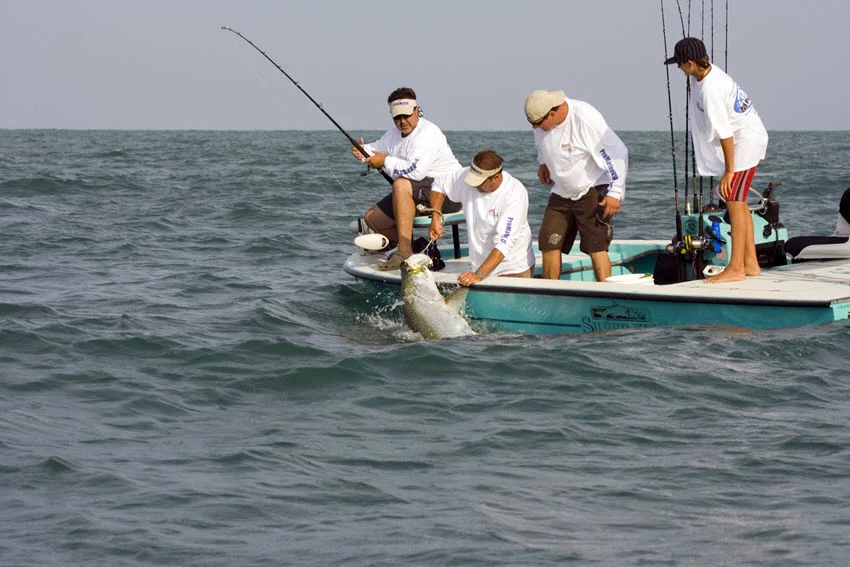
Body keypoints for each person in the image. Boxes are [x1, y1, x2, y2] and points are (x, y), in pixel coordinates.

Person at [665, 37, 768, 283]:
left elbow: (726, 134)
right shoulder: (702, 74)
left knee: (733, 200)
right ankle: (751, 264)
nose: (679, 69)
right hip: (745, 138)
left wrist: (730, 172)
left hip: (744, 142)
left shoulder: (711, 89)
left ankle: (736, 269)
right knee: (739, 203)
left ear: (691, 63)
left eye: (680, 64)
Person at [351, 87, 462, 271]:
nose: (402, 122)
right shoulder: (393, 134)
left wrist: (384, 161)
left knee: (401, 184)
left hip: (447, 194)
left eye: (406, 116)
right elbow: (377, 148)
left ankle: (403, 252)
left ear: (417, 110)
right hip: (418, 192)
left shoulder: (428, 134)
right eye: (397, 117)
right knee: (372, 218)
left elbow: (415, 172)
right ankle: (418, 247)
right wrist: (362, 151)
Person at [524, 89, 628, 282]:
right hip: (560, 191)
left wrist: (616, 191)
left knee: (596, 247)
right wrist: (543, 162)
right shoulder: (541, 124)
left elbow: (617, 153)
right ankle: (551, 294)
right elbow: (541, 143)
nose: (534, 128)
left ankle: (606, 295)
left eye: (537, 123)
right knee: (548, 243)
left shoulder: (585, 118)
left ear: (552, 114)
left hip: (592, 187)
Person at [428, 149, 535, 286]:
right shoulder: (468, 177)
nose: (473, 184)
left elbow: (504, 243)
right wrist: (435, 217)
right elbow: (439, 185)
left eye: (479, 182)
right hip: (479, 266)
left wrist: (478, 275)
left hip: (512, 268)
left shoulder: (515, 195)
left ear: (496, 177)